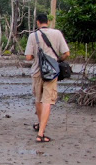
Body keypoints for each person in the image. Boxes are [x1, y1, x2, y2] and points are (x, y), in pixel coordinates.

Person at [24, 13, 70, 143]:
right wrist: (56, 60)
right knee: (47, 101)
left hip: (37, 71)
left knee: (38, 99)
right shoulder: (57, 34)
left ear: (38, 22)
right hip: (52, 73)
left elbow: (28, 57)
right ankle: (41, 133)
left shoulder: (33, 36)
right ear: (47, 22)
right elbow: (66, 53)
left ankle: (40, 125)